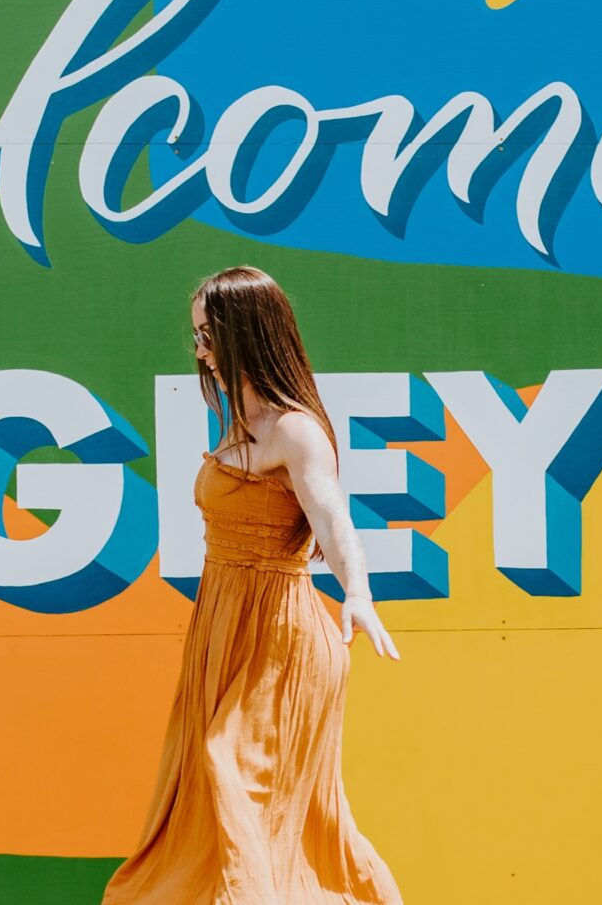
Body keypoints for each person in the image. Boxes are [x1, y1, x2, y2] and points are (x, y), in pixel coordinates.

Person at [102, 265, 405, 904]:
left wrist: (358, 594)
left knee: (230, 778)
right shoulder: (241, 425)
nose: (201, 351)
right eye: (197, 336)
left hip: (280, 641)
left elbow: (331, 515)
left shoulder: (294, 429)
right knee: (221, 816)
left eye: (210, 335)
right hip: (224, 631)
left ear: (247, 333)